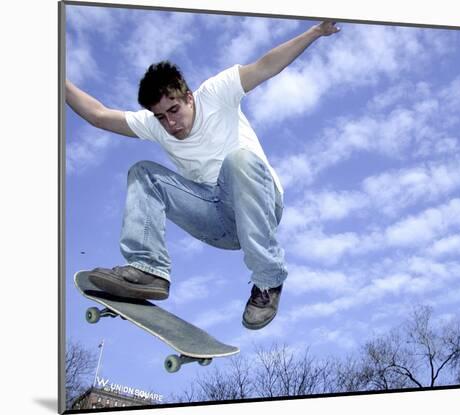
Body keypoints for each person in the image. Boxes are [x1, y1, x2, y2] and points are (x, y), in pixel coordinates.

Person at [66, 21, 340, 330]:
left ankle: (267, 282)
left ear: (188, 97)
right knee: (144, 173)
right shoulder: (156, 126)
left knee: (238, 161)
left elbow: (266, 66)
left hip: (259, 204)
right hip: (217, 222)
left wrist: (314, 32)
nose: (170, 124)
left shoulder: (216, 93)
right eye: (160, 117)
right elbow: (99, 116)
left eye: (173, 111)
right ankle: (149, 270)